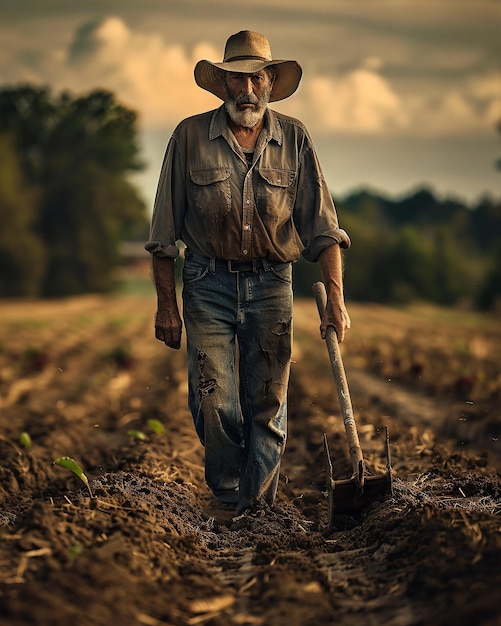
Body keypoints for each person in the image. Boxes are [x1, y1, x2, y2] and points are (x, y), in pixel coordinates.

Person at [145, 31, 351, 523]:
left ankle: (255, 510)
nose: (247, 89)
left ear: (271, 81)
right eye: (236, 78)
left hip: (271, 284)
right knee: (214, 399)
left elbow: (322, 228)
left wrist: (338, 299)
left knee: (269, 402)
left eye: (256, 77)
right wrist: (166, 306)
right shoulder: (189, 137)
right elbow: (162, 234)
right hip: (206, 282)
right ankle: (226, 490)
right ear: (222, 84)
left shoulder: (295, 139)